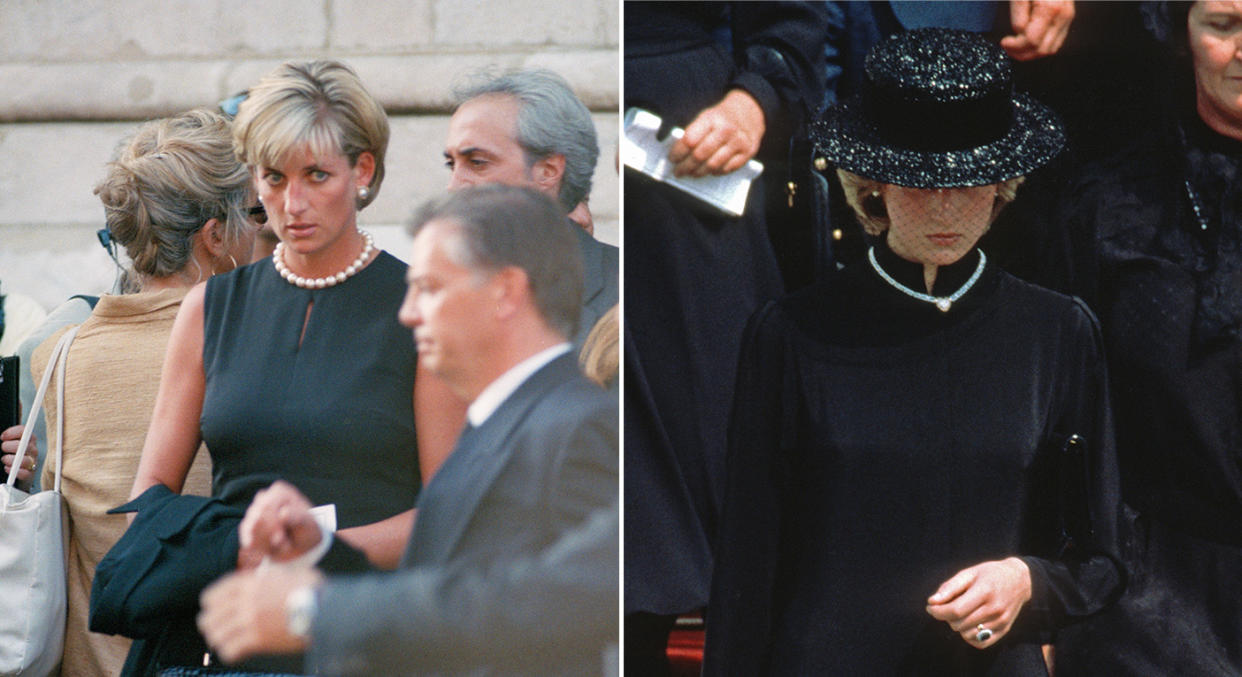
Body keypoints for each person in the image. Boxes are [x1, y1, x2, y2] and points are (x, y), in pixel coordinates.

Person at [703, 29, 1123, 675]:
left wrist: (1029, 581)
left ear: (1004, 183)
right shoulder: (792, 333)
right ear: (872, 182)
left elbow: (1101, 557)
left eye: (971, 181)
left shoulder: (1057, 331)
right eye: (921, 182)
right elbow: (748, 566)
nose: (947, 207)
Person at [195, 185, 619, 676]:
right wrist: (318, 549)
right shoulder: (498, 419)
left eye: (432, 288)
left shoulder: (579, 422)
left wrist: (314, 612)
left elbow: (559, 595)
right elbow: (441, 589)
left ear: (504, 293)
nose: (408, 312)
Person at [105, 60, 422, 675]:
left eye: (316, 175)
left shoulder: (420, 307)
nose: (291, 203)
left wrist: (316, 547)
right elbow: (150, 496)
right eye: (273, 178)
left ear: (363, 171)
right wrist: (237, 549)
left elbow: (452, 512)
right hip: (233, 642)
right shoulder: (209, 307)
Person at [3, 109, 256, 677]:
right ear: (215, 236)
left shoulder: (58, 356)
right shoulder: (246, 350)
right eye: (252, 214)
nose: (258, 230)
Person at [621, 4, 828, 672]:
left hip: (684, 168)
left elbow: (790, 25)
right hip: (528, 151)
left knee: (735, 495)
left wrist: (754, 101)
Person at [1052, 2, 1242, 673]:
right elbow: (1061, 415)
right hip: (1153, 599)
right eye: (1224, 25)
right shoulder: (1108, 205)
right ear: (1181, 35)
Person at [443, 68, 618, 350]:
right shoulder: (438, 297)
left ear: (547, 172)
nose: (454, 186)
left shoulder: (623, 289)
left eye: (477, 162)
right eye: (452, 164)